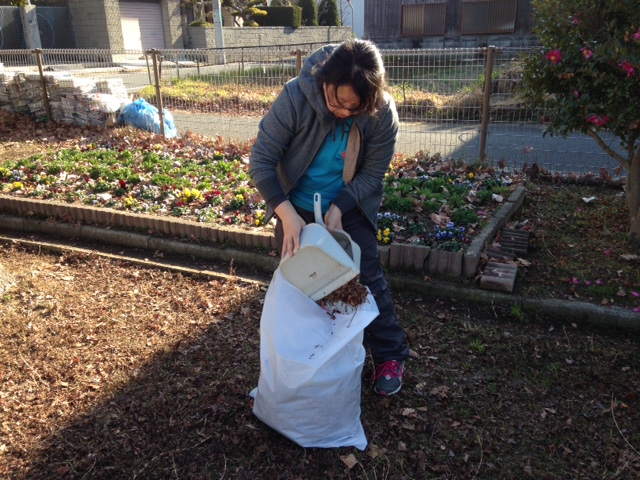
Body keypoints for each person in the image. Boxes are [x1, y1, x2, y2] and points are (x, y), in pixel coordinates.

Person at [249, 39, 410, 396]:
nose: (341, 112)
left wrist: (340, 207)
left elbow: (372, 174)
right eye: (335, 102)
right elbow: (260, 161)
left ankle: (389, 354)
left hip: (346, 205)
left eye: (353, 109)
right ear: (323, 79)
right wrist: (288, 215)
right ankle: (316, 357)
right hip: (295, 206)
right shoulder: (295, 97)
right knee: (305, 281)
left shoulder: (383, 113)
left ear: (370, 100)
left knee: (365, 277)